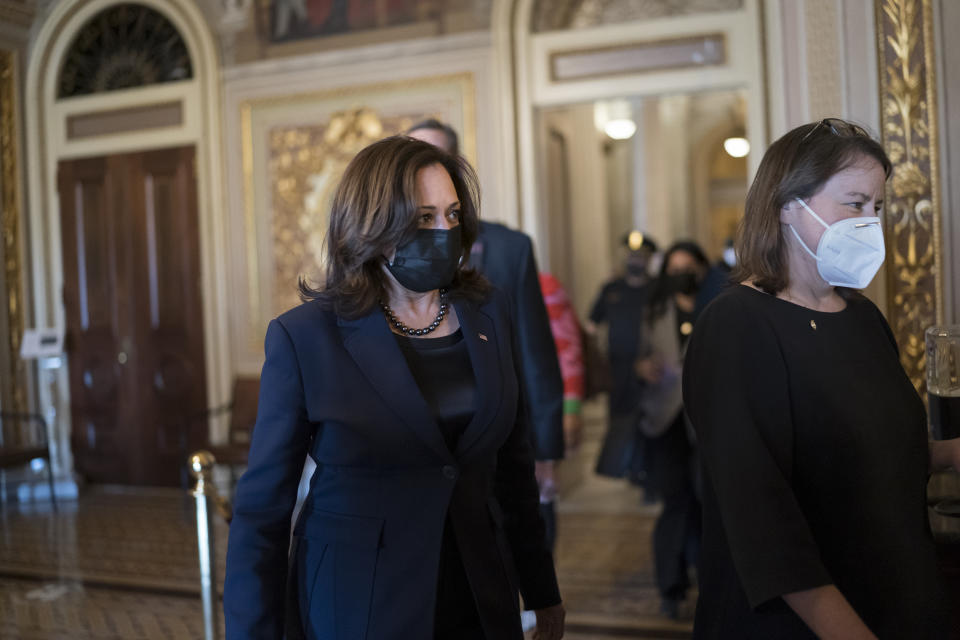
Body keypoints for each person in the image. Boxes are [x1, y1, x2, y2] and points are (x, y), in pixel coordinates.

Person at [223, 136, 565, 640]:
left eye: (452, 214)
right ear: (373, 223)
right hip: (361, 602)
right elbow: (263, 511)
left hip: (479, 594)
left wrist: (542, 592)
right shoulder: (305, 336)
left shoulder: (489, 311)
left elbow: (512, 473)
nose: (444, 230)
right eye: (424, 218)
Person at [683, 118, 960, 638]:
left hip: (900, 596)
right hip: (801, 622)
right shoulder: (736, 325)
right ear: (788, 205)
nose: (869, 222)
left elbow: (864, 458)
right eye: (854, 204)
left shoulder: (861, 316)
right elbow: (762, 519)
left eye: (876, 207)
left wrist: (947, 454)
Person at [406, 119, 566, 548]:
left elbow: (535, 351)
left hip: (500, 426)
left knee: (516, 533)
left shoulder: (510, 249)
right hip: (427, 440)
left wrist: (546, 447)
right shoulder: (387, 254)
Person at [634, 240, 708, 619]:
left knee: (705, 502)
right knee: (675, 502)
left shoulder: (716, 306)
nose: (682, 274)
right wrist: (642, 367)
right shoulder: (655, 310)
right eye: (674, 267)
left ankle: (707, 577)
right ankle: (670, 585)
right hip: (664, 420)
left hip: (706, 421)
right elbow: (636, 356)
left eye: (688, 267)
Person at [589, 232, 657, 485]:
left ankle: (646, 472)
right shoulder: (611, 289)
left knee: (648, 419)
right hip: (617, 367)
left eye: (641, 257)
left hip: (650, 367)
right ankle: (623, 467)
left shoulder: (656, 288)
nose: (635, 261)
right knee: (619, 417)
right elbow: (592, 325)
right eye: (632, 256)